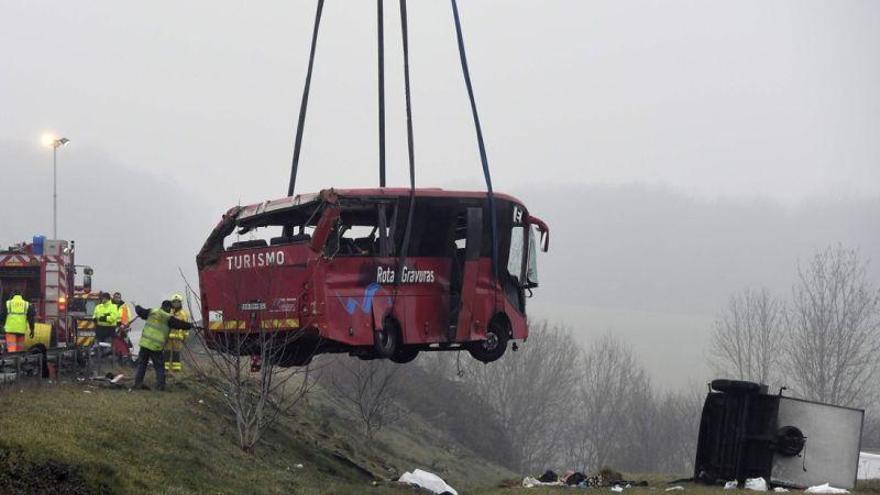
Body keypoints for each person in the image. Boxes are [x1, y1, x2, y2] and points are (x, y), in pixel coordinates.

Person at [132, 300, 193, 391]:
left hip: (144, 344)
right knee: (159, 367)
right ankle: (160, 386)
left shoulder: (152, 312)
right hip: (156, 347)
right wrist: (191, 325)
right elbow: (180, 324)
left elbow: (141, 311)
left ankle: (138, 384)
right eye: (171, 308)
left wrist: (136, 306)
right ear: (168, 308)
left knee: (142, 365)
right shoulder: (168, 318)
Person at [164, 293, 190, 372]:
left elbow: (186, 326)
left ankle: (176, 370)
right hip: (168, 337)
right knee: (167, 353)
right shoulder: (168, 312)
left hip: (178, 337)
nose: (176, 304)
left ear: (180, 303)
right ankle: (166, 369)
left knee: (176, 353)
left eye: (177, 302)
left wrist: (185, 337)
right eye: (174, 302)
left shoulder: (183, 313)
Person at [111, 292, 133, 363]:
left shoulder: (124, 306)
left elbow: (128, 317)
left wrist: (125, 325)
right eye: (116, 297)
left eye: (119, 297)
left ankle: (125, 356)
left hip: (122, 326)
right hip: (111, 325)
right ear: (113, 297)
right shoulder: (109, 305)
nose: (117, 299)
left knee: (124, 341)